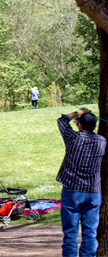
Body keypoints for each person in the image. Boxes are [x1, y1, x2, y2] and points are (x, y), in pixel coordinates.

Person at [56, 108, 106, 256]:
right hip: (93, 191)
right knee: (90, 232)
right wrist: (84, 117)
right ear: (95, 126)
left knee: (70, 232)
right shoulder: (102, 141)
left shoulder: (73, 138)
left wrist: (78, 112)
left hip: (72, 190)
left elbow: (62, 120)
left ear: (79, 125)